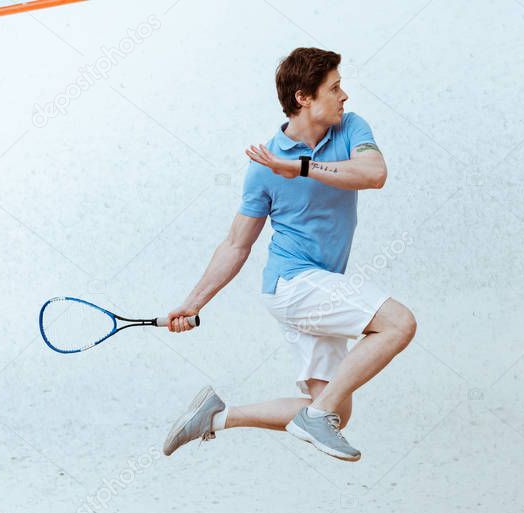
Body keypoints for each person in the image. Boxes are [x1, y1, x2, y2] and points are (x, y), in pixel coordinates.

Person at [161, 47, 416, 462]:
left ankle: (215, 418)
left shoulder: (350, 128)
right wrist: (191, 304)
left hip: (318, 287)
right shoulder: (263, 165)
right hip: (292, 285)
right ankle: (313, 418)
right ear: (304, 97)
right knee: (398, 324)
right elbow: (236, 246)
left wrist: (299, 167)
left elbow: (375, 174)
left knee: (334, 410)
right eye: (334, 88)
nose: (344, 95)